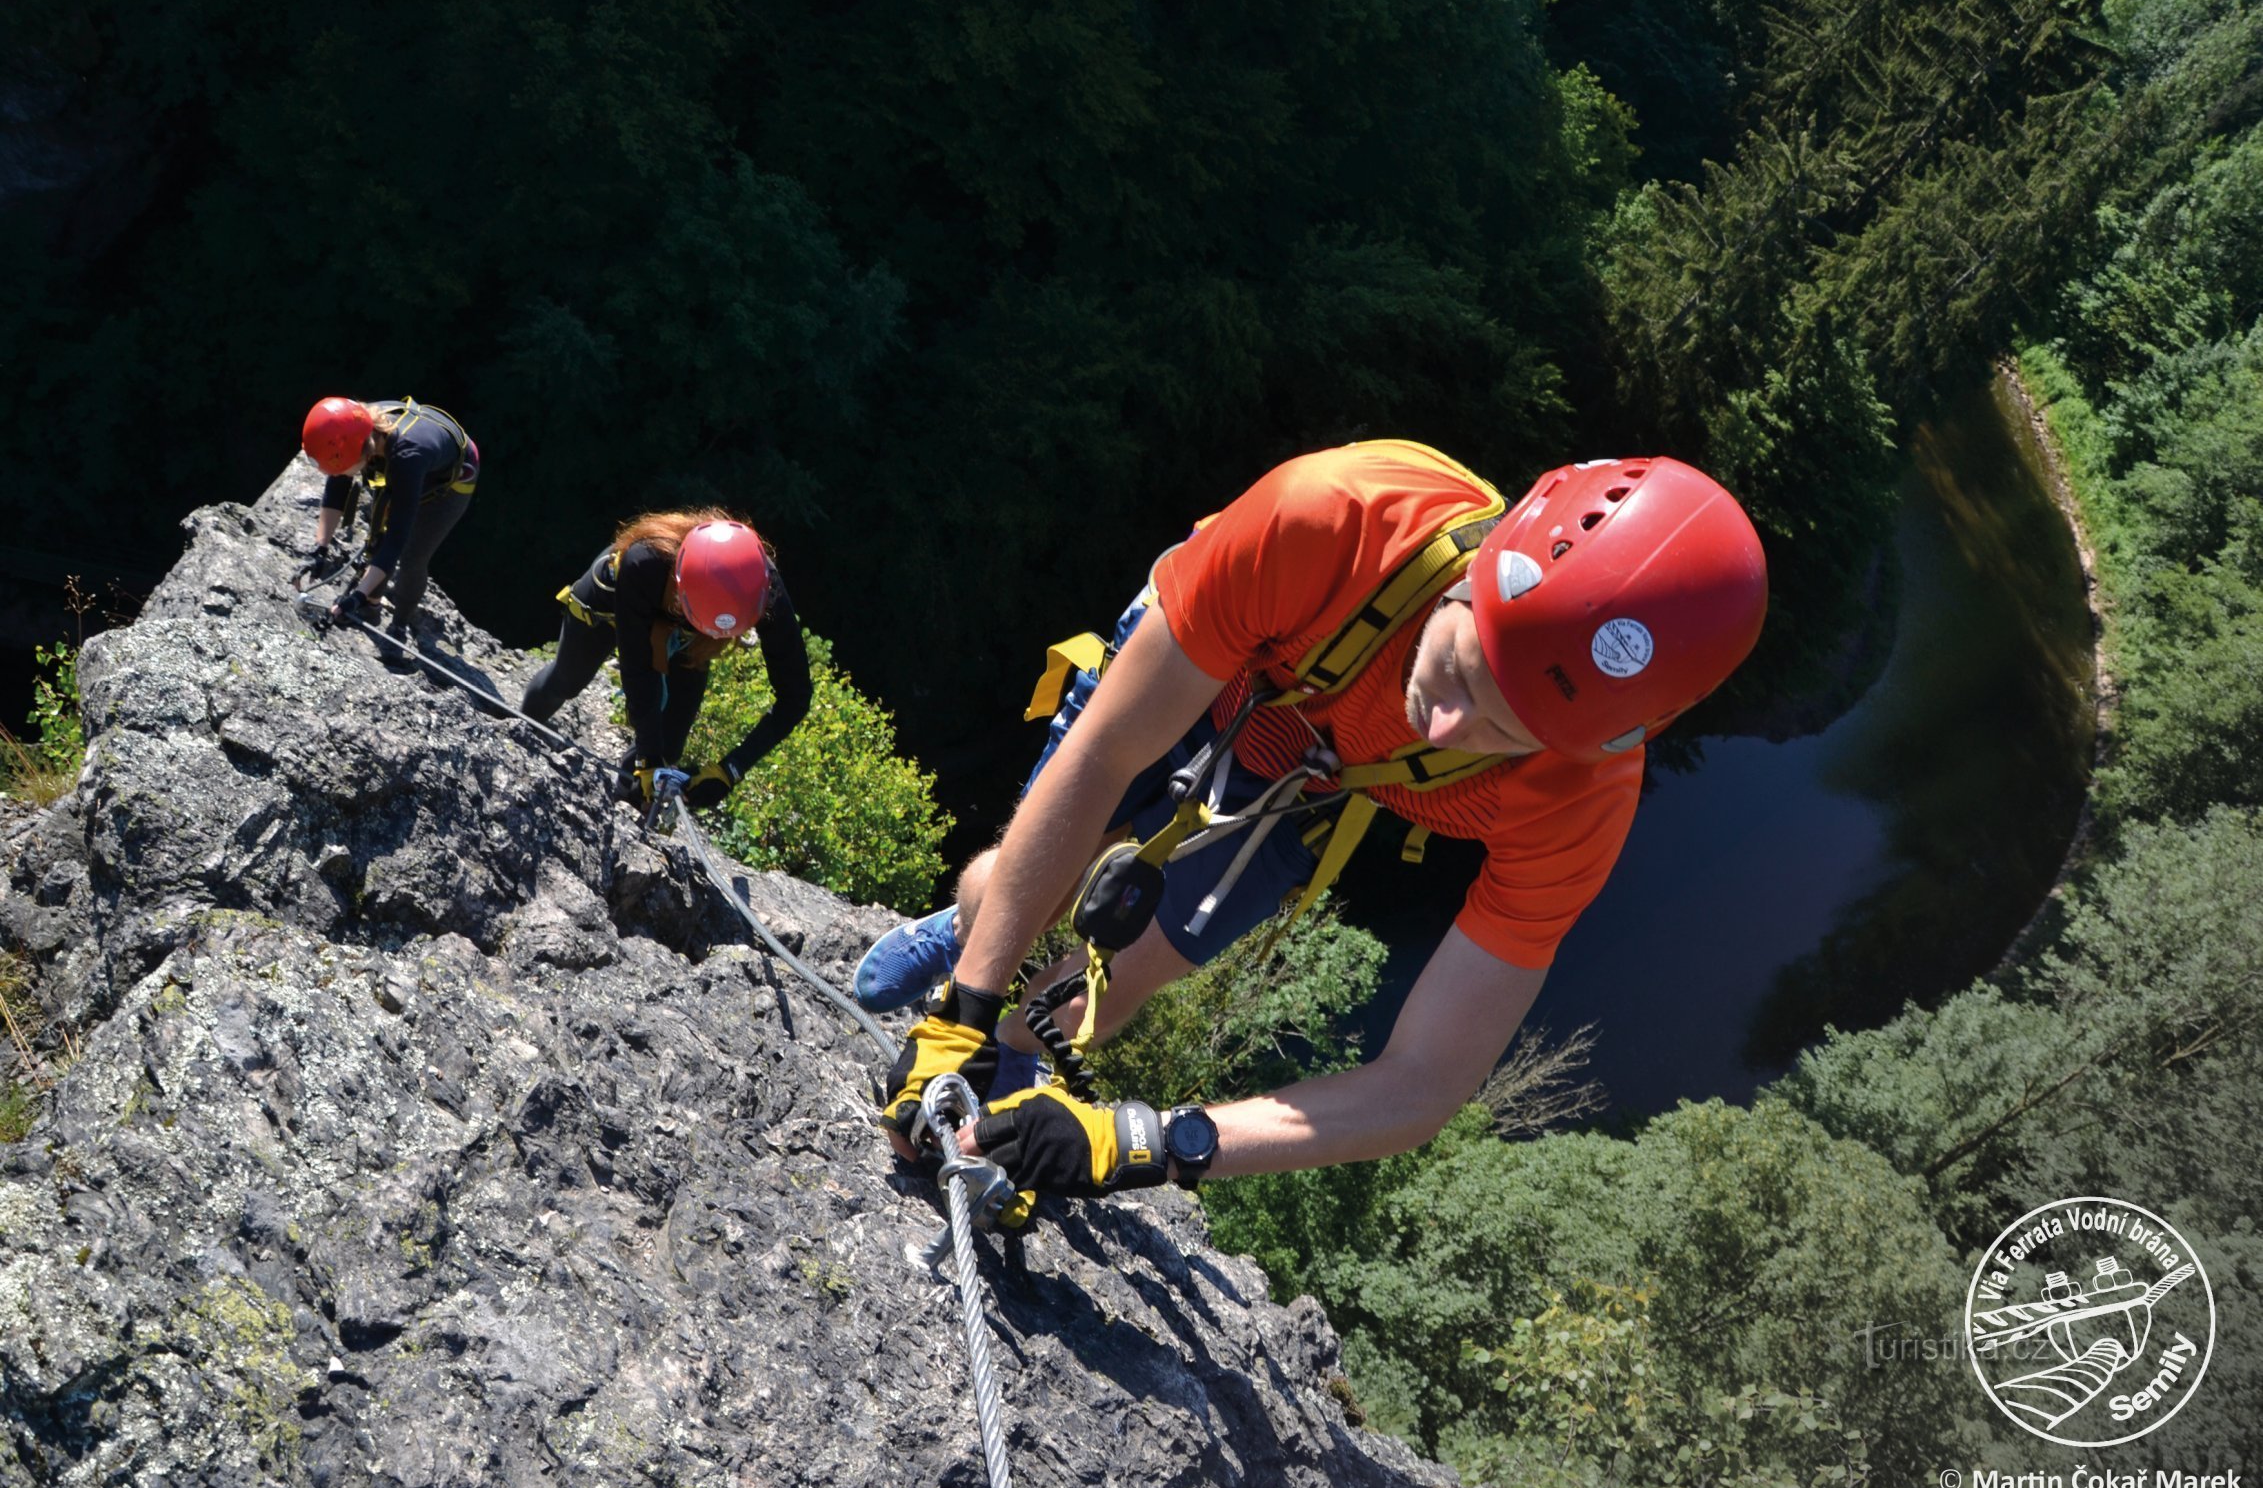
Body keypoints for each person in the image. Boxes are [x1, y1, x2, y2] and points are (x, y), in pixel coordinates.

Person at [860, 439, 1766, 1209]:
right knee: (1009, 896)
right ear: (1479, 567)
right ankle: (967, 940)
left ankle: (1011, 1076)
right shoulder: (1333, 518)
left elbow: (1421, 1086)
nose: (1445, 727)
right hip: (1220, 668)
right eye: (1459, 666)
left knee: (1123, 979)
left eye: (1504, 731)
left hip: (1313, 780)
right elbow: (1105, 755)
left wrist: (1145, 1141)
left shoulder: (1578, 797)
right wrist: (963, 1011)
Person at [520, 510, 812, 810]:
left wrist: (729, 771)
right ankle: (519, 732)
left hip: (690, 631)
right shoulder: (644, 561)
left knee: (670, 743)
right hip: (612, 603)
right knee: (567, 680)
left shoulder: (761, 587)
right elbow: (638, 670)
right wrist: (647, 756)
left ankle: (627, 813)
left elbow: (796, 696)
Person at [300, 396, 480, 648]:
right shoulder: (356, 427)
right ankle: (371, 608)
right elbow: (337, 484)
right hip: (410, 457)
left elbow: (396, 538)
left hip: (453, 476)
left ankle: (399, 624)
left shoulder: (407, 457)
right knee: (376, 535)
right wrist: (319, 549)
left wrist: (356, 596)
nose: (338, 475)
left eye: (341, 468)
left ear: (362, 454)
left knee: (412, 556)